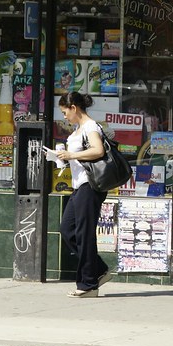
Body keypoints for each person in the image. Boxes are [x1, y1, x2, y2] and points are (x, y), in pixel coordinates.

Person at [55, 91, 114, 297]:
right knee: (67, 229)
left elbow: (98, 151)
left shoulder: (90, 127)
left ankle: (88, 284)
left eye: (65, 112)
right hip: (79, 186)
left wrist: (72, 154)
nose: (64, 116)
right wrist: (61, 158)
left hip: (90, 186)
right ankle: (97, 269)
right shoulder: (78, 130)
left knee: (83, 234)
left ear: (74, 108)